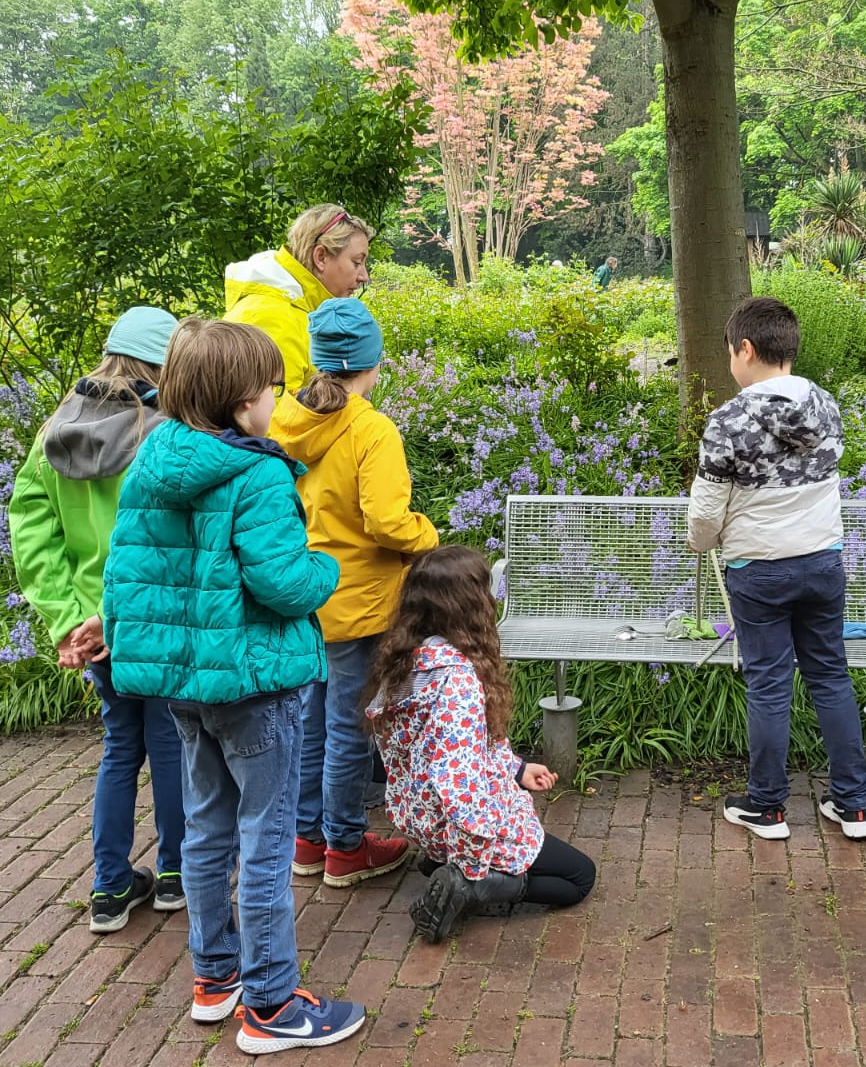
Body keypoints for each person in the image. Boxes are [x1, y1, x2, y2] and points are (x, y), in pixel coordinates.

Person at [102, 318, 365, 1054]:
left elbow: (123, 580)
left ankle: (215, 980)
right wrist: (328, 570)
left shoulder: (151, 459)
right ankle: (273, 1005)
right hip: (255, 687)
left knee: (208, 831)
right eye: (269, 386)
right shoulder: (255, 472)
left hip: (185, 690)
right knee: (267, 838)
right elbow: (284, 584)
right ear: (236, 397)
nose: (276, 398)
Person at [9, 306, 185, 934]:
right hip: (152, 620)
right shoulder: (162, 430)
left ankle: (110, 888)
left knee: (118, 748)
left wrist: (67, 616)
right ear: (163, 364)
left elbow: (30, 527)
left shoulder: (56, 427)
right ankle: (173, 874)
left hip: (91, 630)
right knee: (168, 745)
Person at [687, 296, 866, 841]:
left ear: (746, 349)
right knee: (830, 677)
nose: (730, 364)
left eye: (730, 353)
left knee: (769, 685)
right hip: (822, 562)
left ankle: (768, 808)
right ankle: (853, 806)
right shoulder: (826, 405)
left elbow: (705, 510)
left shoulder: (729, 418)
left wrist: (705, 542)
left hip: (760, 570)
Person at [270, 298, 438, 888]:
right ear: (373, 360)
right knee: (347, 725)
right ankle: (345, 845)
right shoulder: (371, 429)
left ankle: (308, 840)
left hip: (301, 594)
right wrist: (430, 537)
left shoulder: (285, 421)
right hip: (361, 599)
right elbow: (387, 522)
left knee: (309, 722)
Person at [364, 545, 596, 943]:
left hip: (418, 814)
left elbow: (441, 753)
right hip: (460, 825)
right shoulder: (458, 682)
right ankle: (469, 886)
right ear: (470, 604)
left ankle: (441, 861)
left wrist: (517, 769)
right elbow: (461, 788)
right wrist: (474, 860)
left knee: (515, 846)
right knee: (578, 877)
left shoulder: (407, 660)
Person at [224, 203, 373, 393]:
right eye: (357, 262)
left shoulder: (295, 304)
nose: (364, 276)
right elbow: (276, 418)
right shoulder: (275, 317)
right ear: (321, 257)